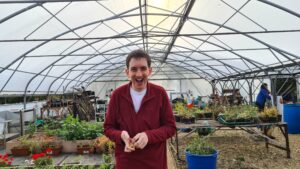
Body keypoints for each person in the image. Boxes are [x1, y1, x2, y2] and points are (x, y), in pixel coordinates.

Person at [104, 49, 176, 169]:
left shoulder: (159, 93)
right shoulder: (117, 95)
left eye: (143, 68)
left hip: (155, 162)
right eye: (134, 69)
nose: (138, 74)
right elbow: (108, 128)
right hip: (127, 162)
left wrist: (149, 136)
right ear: (127, 72)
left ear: (150, 71)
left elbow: (170, 127)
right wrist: (121, 135)